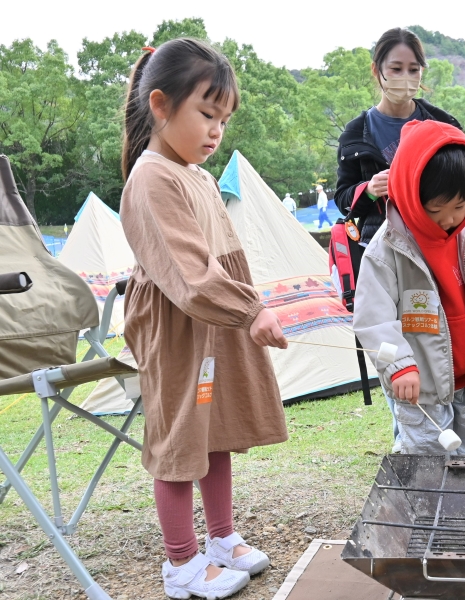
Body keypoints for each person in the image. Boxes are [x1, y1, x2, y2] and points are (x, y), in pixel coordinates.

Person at [118, 39, 289, 599]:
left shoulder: (199, 176)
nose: (216, 131)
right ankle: (181, 565)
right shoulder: (152, 176)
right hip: (177, 328)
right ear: (162, 106)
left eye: (223, 119)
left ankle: (221, 539)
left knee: (213, 431)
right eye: (206, 114)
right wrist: (249, 311)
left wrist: (246, 306)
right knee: (178, 442)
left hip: (213, 321)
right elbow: (189, 274)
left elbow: (225, 257)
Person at [352, 119, 465, 454]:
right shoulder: (387, 249)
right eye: (435, 209)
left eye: (459, 206)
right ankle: (432, 506)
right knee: (429, 456)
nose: (449, 219)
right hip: (421, 381)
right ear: (411, 193)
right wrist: (399, 366)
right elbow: (374, 319)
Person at [334, 27, 461, 451]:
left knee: (438, 335)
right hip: (384, 249)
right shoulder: (357, 133)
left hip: (439, 248)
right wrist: (368, 190)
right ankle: (409, 432)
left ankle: (450, 425)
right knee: (397, 336)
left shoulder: (443, 123)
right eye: (396, 68)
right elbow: (342, 198)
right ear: (377, 71)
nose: (405, 76)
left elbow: (463, 180)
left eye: (413, 68)